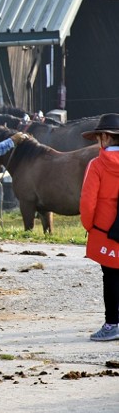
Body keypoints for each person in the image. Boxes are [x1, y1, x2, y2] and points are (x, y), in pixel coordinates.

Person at [79, 113, 119, 341]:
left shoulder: (97, 165)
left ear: (104, 137)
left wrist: (90, 226)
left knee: (111, 277)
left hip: (106, 232)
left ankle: (112, 324)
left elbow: (87, 202)